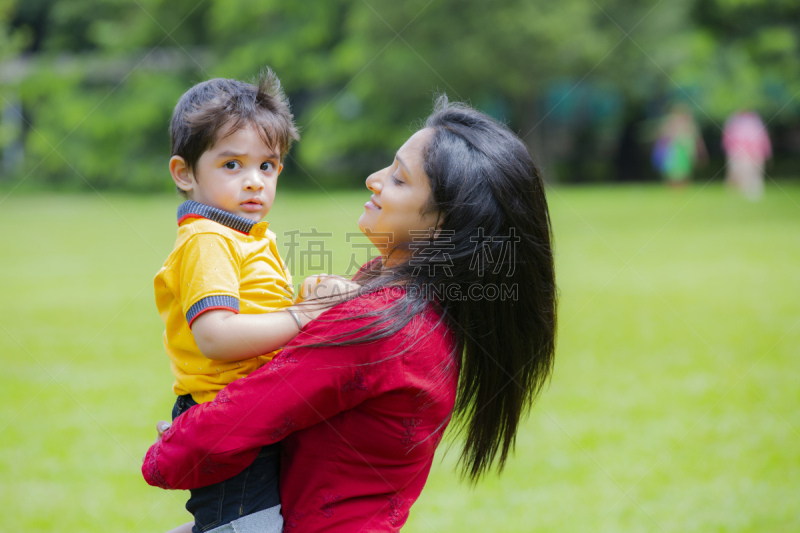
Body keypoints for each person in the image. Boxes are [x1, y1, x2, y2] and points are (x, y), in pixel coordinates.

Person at [143, 97, 558, 532]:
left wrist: (168, 450)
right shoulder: (418, 302)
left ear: (443, 225)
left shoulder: (381, 322)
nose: (373, 179)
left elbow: (247, 413)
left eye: (398, 179)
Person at [155, 70, 351, 533]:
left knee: (250, 521)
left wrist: (308, 296)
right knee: (247, 525)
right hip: (229, 415)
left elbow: (260, 314)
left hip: (255, 407)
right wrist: (302, 316)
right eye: (231, 165)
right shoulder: (208, 239)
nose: (253, 182)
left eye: (267, 165)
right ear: (184, 174)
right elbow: (217, 335)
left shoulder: (246, 237)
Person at [652, 104, 707, 186]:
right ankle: (674, 186)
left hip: (685, 152)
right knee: (673, 171)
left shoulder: (689, 126)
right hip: (674, 152)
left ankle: (682, 186)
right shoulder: (670, 124)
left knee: (684, 170)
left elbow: (696, 140)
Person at [722, 110, 771, 201]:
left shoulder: (756, 122)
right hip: (740, 152)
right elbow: (728, 138)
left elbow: (762, 138)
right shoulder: (735, 121)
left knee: (754, 172)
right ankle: (742, 192)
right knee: (740, 173)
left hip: (754, 152)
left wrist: (765, 152)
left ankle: (753, 192)